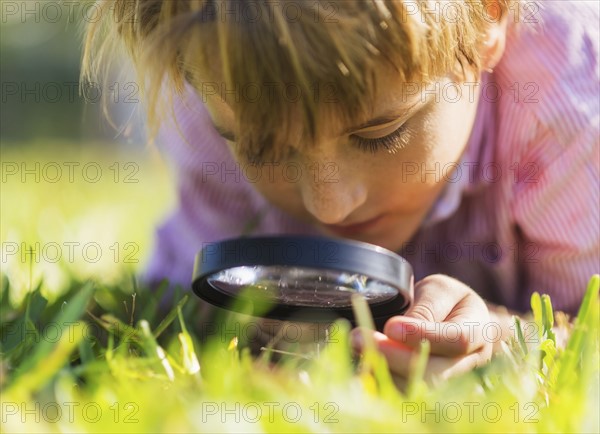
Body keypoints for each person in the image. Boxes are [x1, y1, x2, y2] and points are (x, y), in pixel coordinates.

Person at [82, 0, 599, 382]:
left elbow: (589, 338)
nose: (329, 204)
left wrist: (507, 335)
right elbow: (179, 297)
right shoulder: (221, 88)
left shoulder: (567, 106)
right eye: (264, 150)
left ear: (489, 20)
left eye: (381, 132)